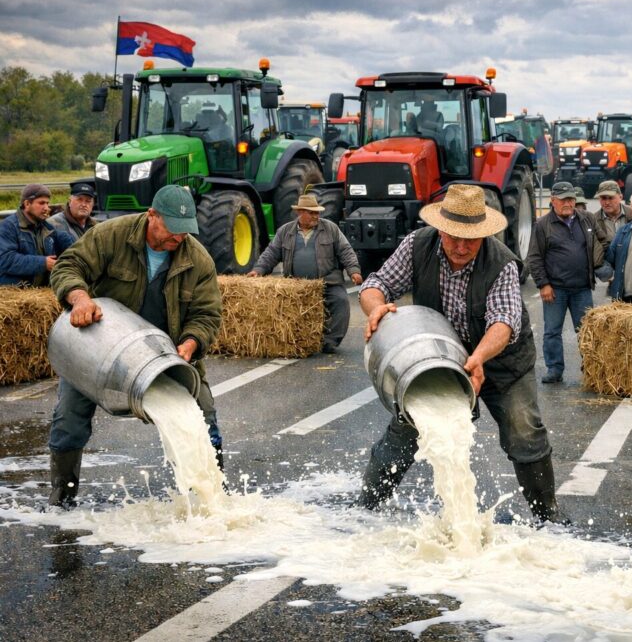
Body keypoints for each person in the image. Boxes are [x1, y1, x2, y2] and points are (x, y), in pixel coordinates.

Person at [357, 183, 568, 524]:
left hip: (501, 363)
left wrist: (479, 357)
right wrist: (376, 307)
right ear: (441, 229)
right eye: (454, 237)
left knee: (524, 430)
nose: (461, 247)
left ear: (483, 234)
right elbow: (376, 284)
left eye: (471, 239)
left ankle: (548, 516)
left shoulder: (502, 263)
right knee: (405, 430)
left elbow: (503, 322)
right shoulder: (417, 245)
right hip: (438, 360)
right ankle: (364, 508)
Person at [47, 185, 224, 508]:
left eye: (185, 231)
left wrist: (191, 343)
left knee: (204, 416)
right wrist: (80, 297)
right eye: (173, 229)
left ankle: (212, 499)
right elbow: (69, 265)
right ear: (152, 215)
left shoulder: (197, 259)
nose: (178, 238)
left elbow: (207, 314)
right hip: (101, 350)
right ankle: (62, 497)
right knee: (68, 420)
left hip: (166, 355)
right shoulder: (112, 235)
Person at [247, 193, 362, 353]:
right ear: (300, 212)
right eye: (312, 212)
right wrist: (258, 270)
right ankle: (292, 340)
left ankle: (330, 342)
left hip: (327, 281)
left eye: (317, 212)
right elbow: (271, 253)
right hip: (295, 284)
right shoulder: (285, 231)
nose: (316, 216)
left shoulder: (331, 229)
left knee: (341, 301)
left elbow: (346, 251)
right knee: (281, 306)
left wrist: (354, 271)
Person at [526, 182, 607, 384]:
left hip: (582, 288)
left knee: (587, 331)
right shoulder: (543, 225)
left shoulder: (586, 218)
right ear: (552, 200)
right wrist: (543, 284)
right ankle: (554, 369)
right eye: (563, 200)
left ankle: (591, 368)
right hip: (555, 290)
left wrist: (602, 265)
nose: (568, 203)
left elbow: (603, 241)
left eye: (571, 199)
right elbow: (534, 257)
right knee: (552, 331)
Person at [0, 184, 73, 286]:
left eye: (47, 203)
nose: (46, 208)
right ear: (27, 204)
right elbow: (5, 260)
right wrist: (43, 263)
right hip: (17, 289)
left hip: (42, 289)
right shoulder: (8, 227)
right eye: (41, 203)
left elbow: (68, 247)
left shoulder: (47, 227)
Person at [591, 180, 632, 284]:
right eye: (603, 198)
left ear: (620, 197)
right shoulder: (593, 220)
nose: (607, 202)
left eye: (610, 198)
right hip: (609, 266)